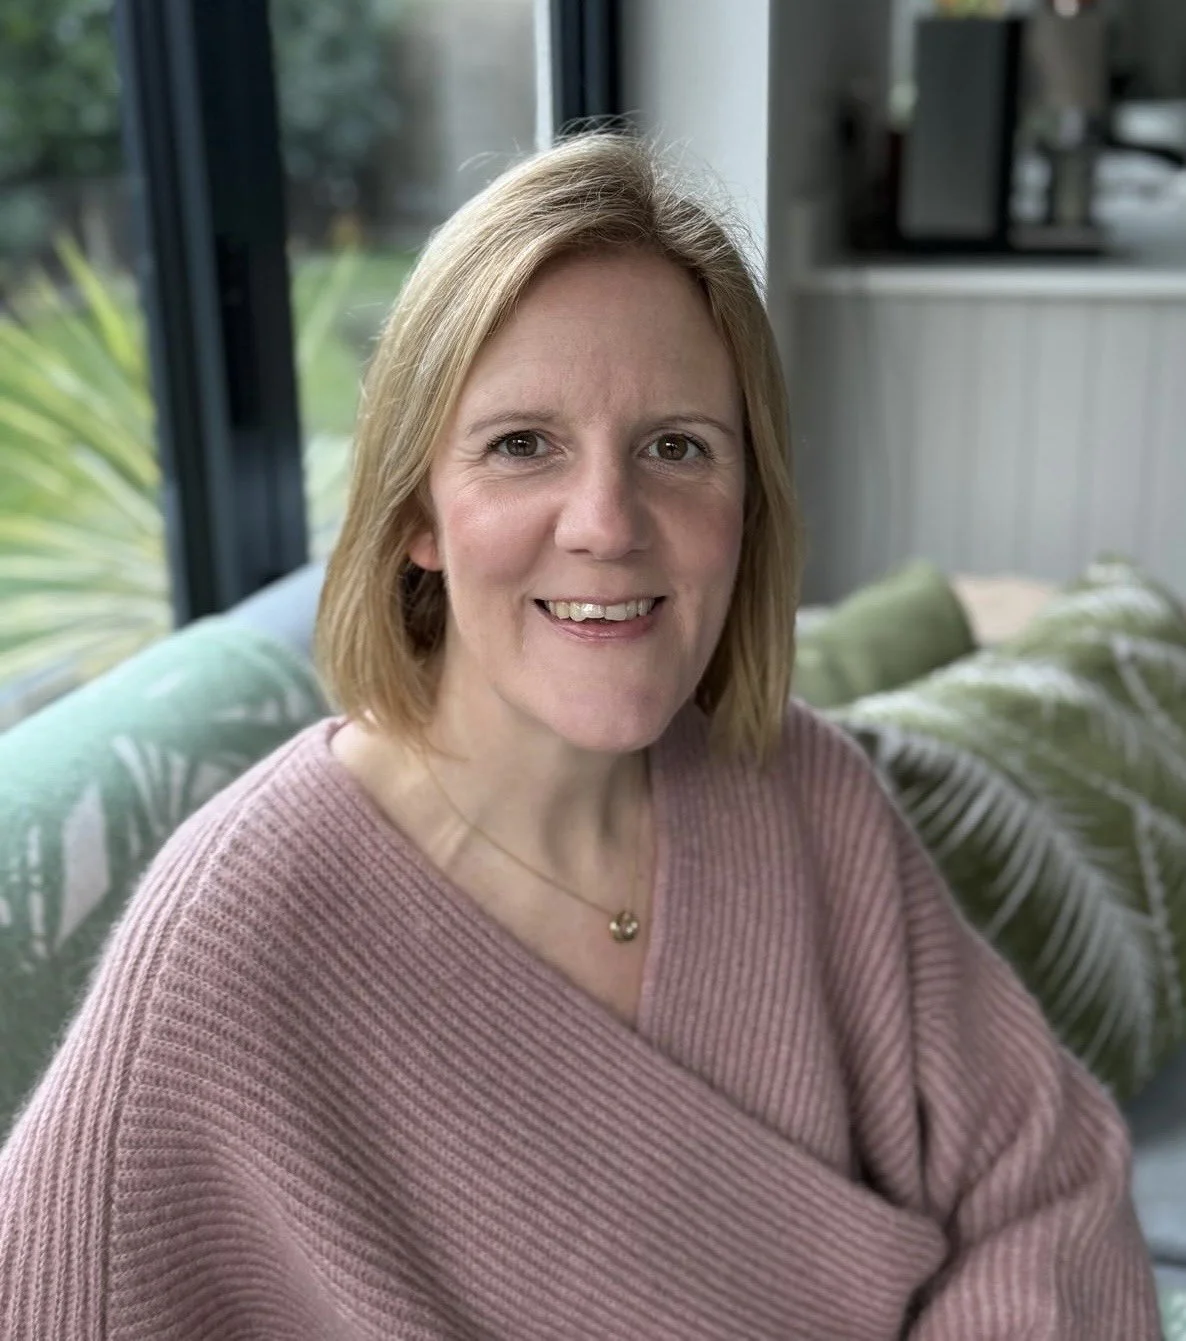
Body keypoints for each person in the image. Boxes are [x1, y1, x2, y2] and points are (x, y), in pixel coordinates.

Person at [0, 132, 1161, 1339]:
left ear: (745, 507)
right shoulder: (229, 944)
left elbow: (1046, 1189)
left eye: (676, 448)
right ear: (417, 517)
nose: (608, 524)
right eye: (521, 446)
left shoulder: (806, 794)